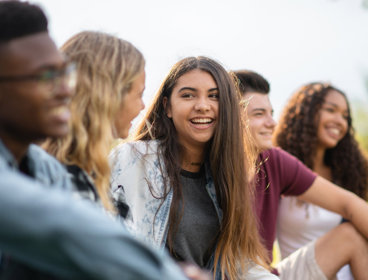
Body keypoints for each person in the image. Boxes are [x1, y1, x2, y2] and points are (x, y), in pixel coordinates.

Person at [0, 1, 205, 279]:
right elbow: (62, 227)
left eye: (65, 74)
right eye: (44, 76)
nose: (66, 90)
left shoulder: (42, 169)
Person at [110, 56, 278, 280]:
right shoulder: (133, 159)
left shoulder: (227, 175)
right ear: (167, 107)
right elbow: (108, 243)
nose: (202, 106)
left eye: (214, 96)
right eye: (188, 95)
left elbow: (239, 264)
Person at [233, 69, 368, 280]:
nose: (272, 123)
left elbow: (348, 204)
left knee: (350, 236)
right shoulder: (210, 168)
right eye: (259, 114)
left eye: (271, 113)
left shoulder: (274, 161)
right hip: (241, 274)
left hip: (276, 274)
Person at [43, 30, 146, 216]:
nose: (142, 106)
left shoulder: (42, 172)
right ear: (108, 97)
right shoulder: (68, 191)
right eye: (139, 94)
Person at [274, 82, 368, 279]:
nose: (340, 121)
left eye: (345, 116)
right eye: (331, 110)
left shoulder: (349, 174)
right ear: (306, 113)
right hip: (298, 273)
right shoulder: (279, 168)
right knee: (349, 234)